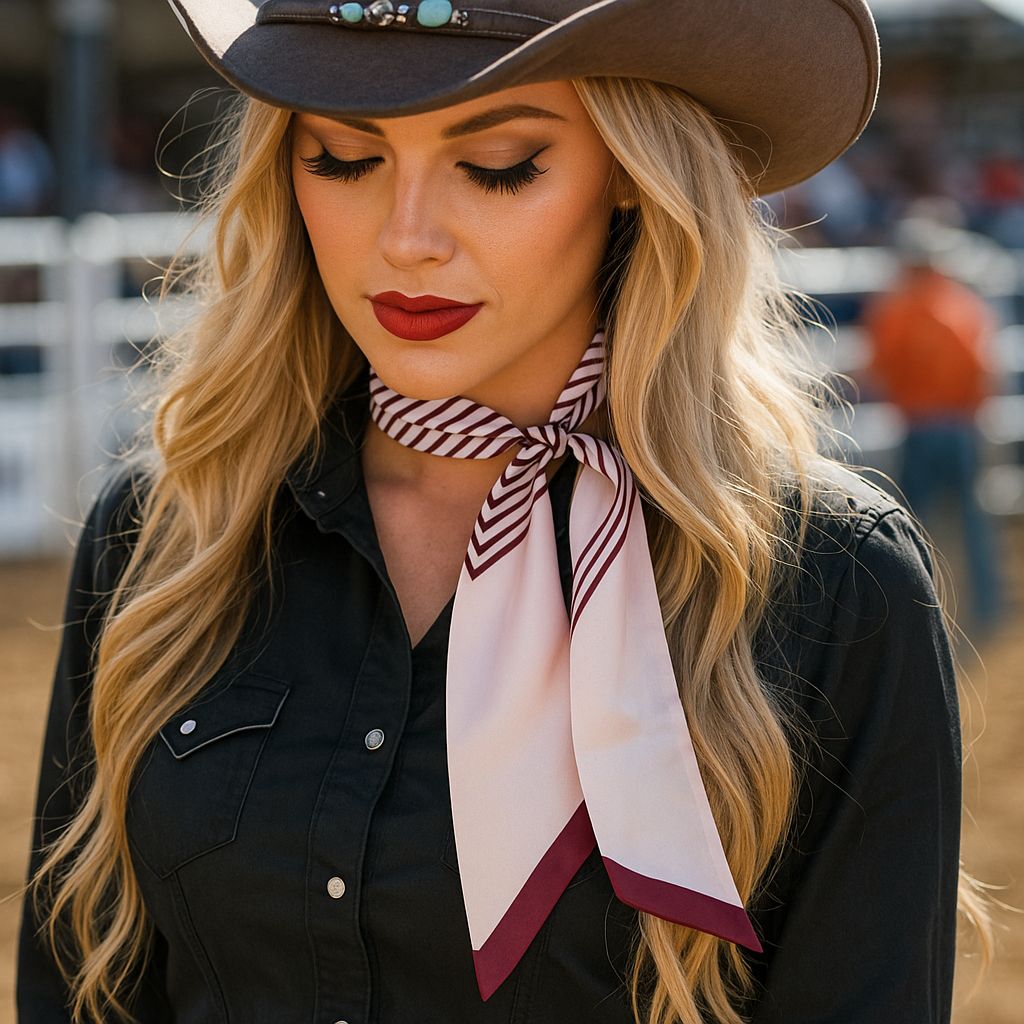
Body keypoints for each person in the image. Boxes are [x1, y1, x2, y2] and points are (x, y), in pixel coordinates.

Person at [17, 1, 983, 1022]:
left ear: (632, 169)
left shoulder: (837, 587)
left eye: (498, 165)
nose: (406, 240)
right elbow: (75, 987)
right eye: (344, 158)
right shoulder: (165, 537)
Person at [864, 215, 1001, 627]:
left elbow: (878, 368)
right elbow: (983, 370)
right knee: (972, 523)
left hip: (919, 427)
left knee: (912, 527)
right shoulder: (965, 306)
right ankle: (986, 611)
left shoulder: (895, 309)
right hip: (960, 426)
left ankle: (918, 612)